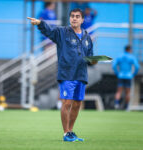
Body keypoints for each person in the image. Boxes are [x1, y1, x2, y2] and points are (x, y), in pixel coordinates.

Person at [27, 8, 97, 142]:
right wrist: (39, 23)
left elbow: (90, 57)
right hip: (67, 74)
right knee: (67, 102)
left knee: (77, 104)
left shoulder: (87, 36)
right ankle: (65, 133)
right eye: (72, 16)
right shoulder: (62, 32)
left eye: (77, 16)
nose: (74, 18)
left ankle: (70, 131)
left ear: (82, 20)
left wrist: (93, 61)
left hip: (81, 74)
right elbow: (49, 30)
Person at [112, 45, 140, 110]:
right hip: (128, 76)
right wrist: (133, 74)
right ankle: (127, 107)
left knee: (119, 91)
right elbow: (137, 67)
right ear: (129, 50)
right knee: (128, 92)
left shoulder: (120, 56)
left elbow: (114, 65)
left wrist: (117, 73)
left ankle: (116, 104)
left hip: (121, 75)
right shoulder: (131, 57)